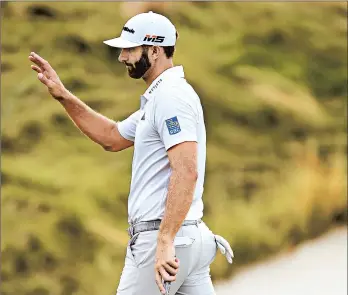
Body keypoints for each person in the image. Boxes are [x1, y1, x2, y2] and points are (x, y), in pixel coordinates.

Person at [28, 10, 233, 295]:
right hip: (187, 238)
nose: (122, 57)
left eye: (129, 49)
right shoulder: (159, 99)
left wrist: (164, 240)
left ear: (154, 49)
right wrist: (63, 95)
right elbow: (111, 137)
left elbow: (186, 170)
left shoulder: (170, 98)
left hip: (163, 240)